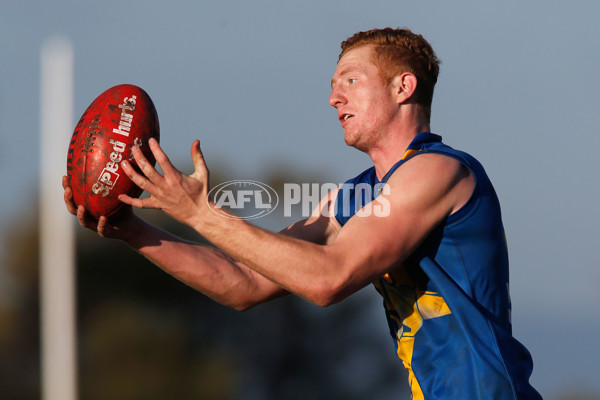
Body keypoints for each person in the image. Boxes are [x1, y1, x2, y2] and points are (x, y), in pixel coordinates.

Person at [63, 28, 542, 399]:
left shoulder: (438, 172)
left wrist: (200, 214)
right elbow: (243, 284)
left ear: (404, 86)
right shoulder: (351, 199)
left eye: (351, 81)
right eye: (333, 86)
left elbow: (330, 278)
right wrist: (133, 231)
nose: (334, 97)